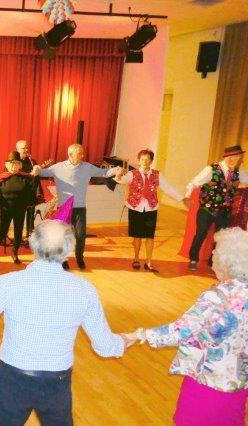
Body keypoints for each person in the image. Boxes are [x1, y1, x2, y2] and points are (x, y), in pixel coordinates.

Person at [0, 220, 132, 425]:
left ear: (33, 245)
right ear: (68, 250)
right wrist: (130, 337)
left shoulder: (9, 284)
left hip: (13, 380)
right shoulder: (84, 290)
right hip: (56, 383)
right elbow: (106, 347)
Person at [122, 227, 248, 426]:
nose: (212, 252)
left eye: (216, 249)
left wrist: (139, 335)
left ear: (227, 260)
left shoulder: (219, 296)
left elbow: (184, 329)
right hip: (238, 385)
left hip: (208, 382)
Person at [33, 144, 121, 269]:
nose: (82, 155)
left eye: (82, 153)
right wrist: (36, 168)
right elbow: (41, 172)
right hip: (64, 207)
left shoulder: (87, 167)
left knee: (81, 235)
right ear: (70, 155)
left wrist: (116, 169)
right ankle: (63, 260)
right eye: (80, 153)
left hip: (80, 208)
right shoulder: (58, 167)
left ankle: (80, 258)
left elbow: (104, 172)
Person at [114, 149, 187, 272]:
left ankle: (148, 262)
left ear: (151, 161)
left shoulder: (157, 175)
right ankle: (136, 258)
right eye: (142, 159)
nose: (145, 162)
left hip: (151, 208)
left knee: (150, 237)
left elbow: (168, 188)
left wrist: (182, 198)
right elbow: (121, 180)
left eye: (148, 159)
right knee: (137, 236)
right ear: (139, 161)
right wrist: (118, 174)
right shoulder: (132, 174)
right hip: (135, 208)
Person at [183, 145, 247, 271]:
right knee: (201, 234)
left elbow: (242, 181)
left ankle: (213, 261)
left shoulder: (236, 172)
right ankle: (193, 259)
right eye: (238, 158)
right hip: (207, 209)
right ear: (230, 158)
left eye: (240, 158)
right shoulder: (211, 169)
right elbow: (194, 182)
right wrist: (187, 196)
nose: (240, 161)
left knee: (221, 238)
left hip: (224, 211)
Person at [0, 151, 40, 264]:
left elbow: (33, 189)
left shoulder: (25, 178)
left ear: (20, 165)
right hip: (6, 209)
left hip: (20, 209)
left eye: (16, 163)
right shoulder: (2, 177)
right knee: (2, 232)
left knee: (18, 232)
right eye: (11, 163)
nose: (13, 166)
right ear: (7, 165)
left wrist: (35, 176)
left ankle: (14, 254)